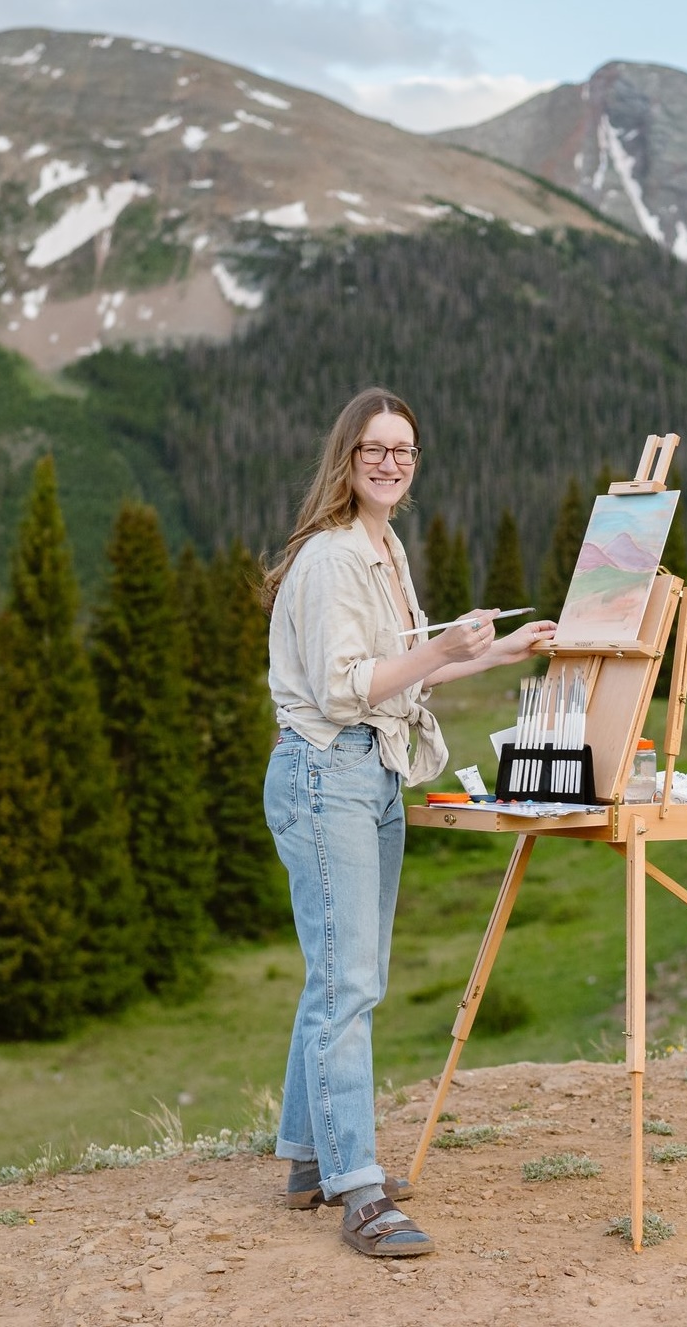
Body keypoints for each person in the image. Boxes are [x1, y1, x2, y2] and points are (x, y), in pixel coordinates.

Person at [259, 387, 556, 1258]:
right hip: (327, 771)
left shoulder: (384, 549)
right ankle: (359, 1188)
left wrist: (498, 650)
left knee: (342, 973)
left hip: (370, 771)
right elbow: (341, 686)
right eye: (375, 449)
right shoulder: (329, 559)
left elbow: (402, 678)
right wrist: (442, 647)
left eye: (405, 450)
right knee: (349, 981)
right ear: (345, 458)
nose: (391, 462)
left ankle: (311, 1159)